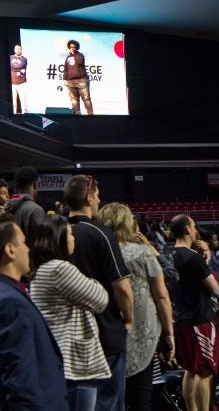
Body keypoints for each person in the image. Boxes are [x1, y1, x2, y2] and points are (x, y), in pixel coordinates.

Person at [0, 213, 69, 411]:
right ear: (10, 250)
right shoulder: (8, 304)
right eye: (24, 242)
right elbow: (20, 385)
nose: (29, 249)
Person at [63, 175, 133, 411]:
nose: (100, 200)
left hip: (67, 336)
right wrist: (129, 319)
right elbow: (121, 287)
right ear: (89, 197)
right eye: (98, 196)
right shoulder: (100, 233)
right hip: (105, 331)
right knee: (110, 402)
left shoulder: (54, 233)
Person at [96, 203, 174, 411]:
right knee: (141, 398)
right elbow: (161, 295)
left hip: (107, 335)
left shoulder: (98, 254)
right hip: (143, 334)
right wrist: (169, 334)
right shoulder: (142, 253)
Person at [30, 215, 110, 411]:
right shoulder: (60, 269)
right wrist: (95, 283)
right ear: (59, 238)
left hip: (59, 363)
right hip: (75, 368)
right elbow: (101, 300)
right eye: (70, 234)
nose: (74, 239)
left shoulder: (42, 268)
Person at [170, 214, 219, 411]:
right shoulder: (193, 257)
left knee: (189, 370)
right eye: (193, 227)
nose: (195, 230)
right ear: (187, 229)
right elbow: (214, 288)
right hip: (200, 319)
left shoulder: (168, 255)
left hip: (181, 320)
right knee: (204, 372)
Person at [5, 165, 45, 246]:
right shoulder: (36, 210)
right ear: (35, 185)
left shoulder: (7, 207)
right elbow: (41, 245)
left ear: (16, 186)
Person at [63, 40, 93, 115]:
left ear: (76, 47)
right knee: (74, 100)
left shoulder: (80, 55)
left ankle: (90, 115)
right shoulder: (68, 57)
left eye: (73, 47)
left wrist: (74, 54)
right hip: (71, 82)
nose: (72, 48)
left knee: (86, 99)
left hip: (81, 80)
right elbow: (65, 69)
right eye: (70, 47)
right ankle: (77, 115)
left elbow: (80, 62)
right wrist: (64, 79)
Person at [10, 44, 27, 114]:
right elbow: (12, 65)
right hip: (12, 83)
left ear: (21, 50)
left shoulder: (24, 59)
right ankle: (14, 115)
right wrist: (19, 70)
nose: (18, 50)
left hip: (22, 83)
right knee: (14, 102)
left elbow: (20, 65)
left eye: (19, 49)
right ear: (14, 50)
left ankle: (25, 115)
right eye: (17, 49)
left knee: (23, 101)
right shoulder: (10, 57)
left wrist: (16, 69)